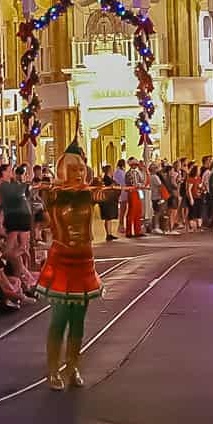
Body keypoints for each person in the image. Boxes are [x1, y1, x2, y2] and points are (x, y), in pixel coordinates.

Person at [33, 143, 131, 390]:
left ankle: (73, 365)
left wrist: (105, 186)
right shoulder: (54, 195)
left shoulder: (87, 193)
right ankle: (53, 370)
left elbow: (110, 194)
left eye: (81, 169)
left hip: (84, 261)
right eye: (73, 169)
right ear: (63, 171)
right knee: (60, 318)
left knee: (78, 320)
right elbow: (44, 195)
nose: (78, 174)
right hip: (61, 261)